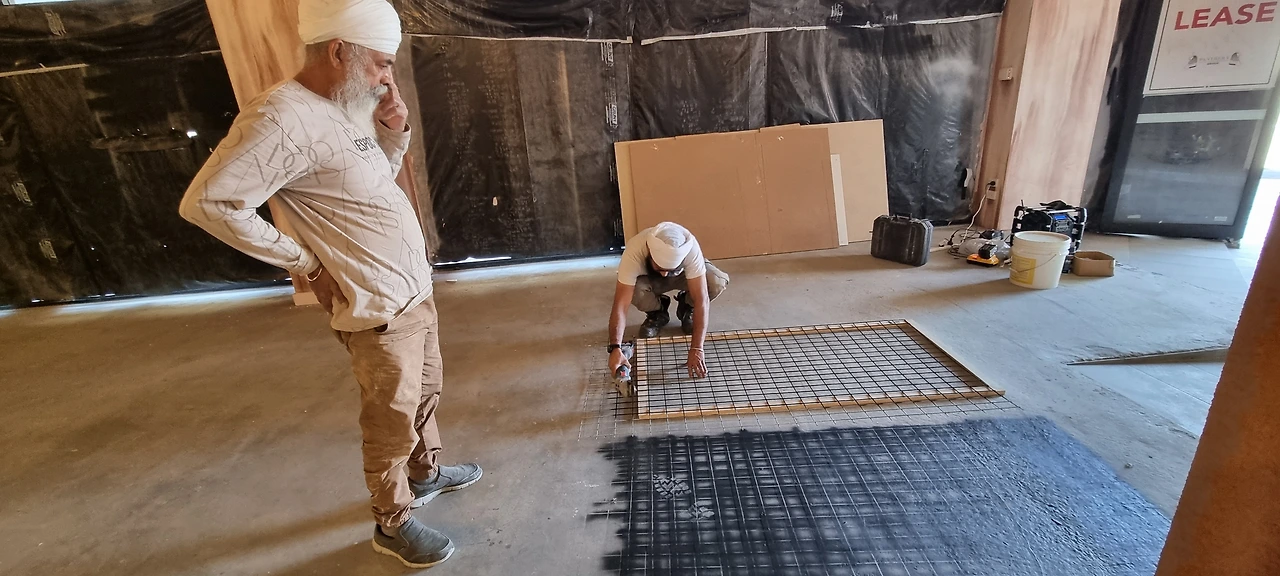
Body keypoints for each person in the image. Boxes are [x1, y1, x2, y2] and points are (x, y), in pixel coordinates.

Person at [178, 0, 478, 568]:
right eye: (380, 63)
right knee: (390, 420)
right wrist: (304, 262)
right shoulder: (280, 120)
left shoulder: (345, 105)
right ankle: (392, 522)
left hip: (413, 292)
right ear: (339, 51)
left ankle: (426, 472)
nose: (387, 77)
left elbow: (373, 182)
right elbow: (209, 203)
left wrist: (393, 133)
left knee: (425, 393)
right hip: (376, 307)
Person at [606, 222, 730, 379]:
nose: (665, 274)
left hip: (683, 276)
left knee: (715, 282)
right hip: (650, 279)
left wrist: (697, 348)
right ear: (650, 254)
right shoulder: (634, 251)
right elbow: (620, 305)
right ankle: (657, 312)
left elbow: (702, 299)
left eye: (669, 270)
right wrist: (615, 347)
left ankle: (687, 306)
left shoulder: (690, 248)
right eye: (660, 268)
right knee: (634, 291)